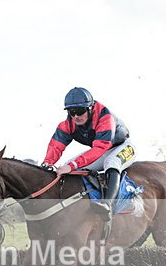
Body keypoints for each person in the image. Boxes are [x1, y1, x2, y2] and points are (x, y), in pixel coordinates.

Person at [42, 87, 136, 217]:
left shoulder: (105, 117)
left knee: (111, 162)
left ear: (90, 108)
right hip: (103, 150)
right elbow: (56, 146)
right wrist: (47, 163)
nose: (76, 116)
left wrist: (71, 166)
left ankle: (107, 203)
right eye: (71, 112)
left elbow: (100, 147)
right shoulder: (67, 125)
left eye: (80, 111)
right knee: (68, 164)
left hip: (123, 146)